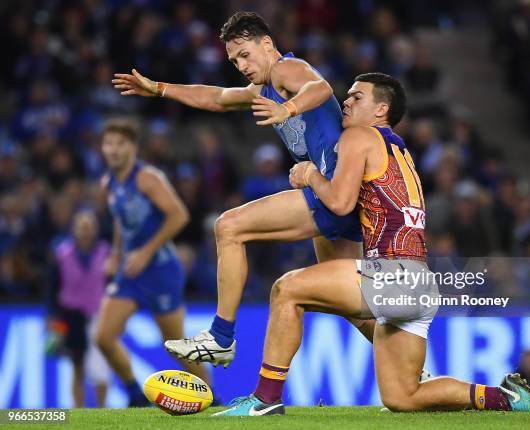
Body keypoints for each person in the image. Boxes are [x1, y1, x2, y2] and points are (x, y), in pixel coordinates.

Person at [213, 73, 530, 416]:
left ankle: (265, 399)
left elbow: (339, 203)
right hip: (420, 283)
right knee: (403, 397)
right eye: (347, 96)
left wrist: (309, 175)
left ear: (381, 110)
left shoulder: (360, 136)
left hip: (393, 273)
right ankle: (507, 398)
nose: (346, 101)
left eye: (356, 96)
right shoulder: (400, 149)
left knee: (286, 289)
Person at [112, 11, 370, 366]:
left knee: (229, 226)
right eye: (234, 61)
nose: (241, 65)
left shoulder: (285, 69)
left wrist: (289, 108)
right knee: (348, 301)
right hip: (338, 194)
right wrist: (159, 89)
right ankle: (413, 368)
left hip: (332, 188)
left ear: (267, 44)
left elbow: (320, 87)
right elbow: (216, 97)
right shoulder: (262, 87)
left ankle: (220, 337)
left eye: (245, 54)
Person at [95, 119, 211, 406]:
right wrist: (115, 254)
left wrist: (146, 251)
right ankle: (135, 394)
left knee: (175, 346)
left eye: (120, 144)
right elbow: (122, 223)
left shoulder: (147, 178)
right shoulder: (108, 182)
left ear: (133, 148)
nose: (114, 150)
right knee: (103, 337)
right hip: (131, 272)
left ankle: (212, 398)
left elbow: (179, 215)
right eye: (109, 143)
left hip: (160, 270)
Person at [48, 209, 112, 407]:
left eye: (89, 228)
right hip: (71, 315)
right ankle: (79, 410)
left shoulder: (106, 252)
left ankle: (102, 411)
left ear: (95, 230)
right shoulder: (62, 254)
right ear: (73, 230)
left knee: (101, 367)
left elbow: (112, 283)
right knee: (77, 366)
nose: (85, 233)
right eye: (82, 228)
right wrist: (54, 318)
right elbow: (53, 288)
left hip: (99, 315)